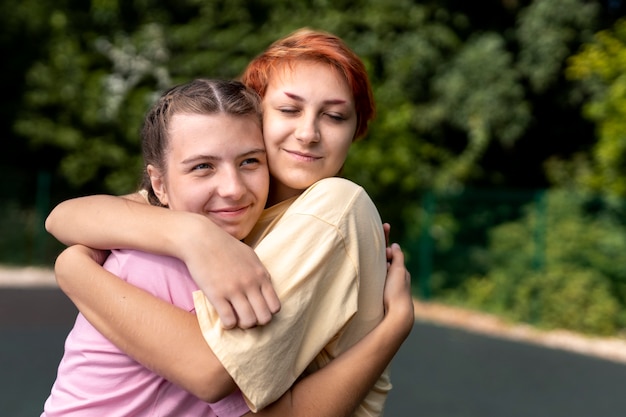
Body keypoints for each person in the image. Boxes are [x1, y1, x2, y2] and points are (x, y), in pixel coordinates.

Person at [46, 28, 413, 416]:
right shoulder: (227, 213)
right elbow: (67, 216)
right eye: (289, 110)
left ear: (355, 130)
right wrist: (189, 232)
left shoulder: (333, 207)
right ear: (257, 115)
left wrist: (73, 270)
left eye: (335, 116)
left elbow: (212, 372)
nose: (307, 134)